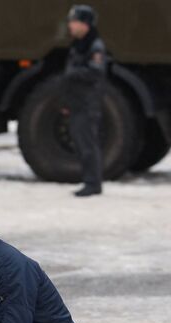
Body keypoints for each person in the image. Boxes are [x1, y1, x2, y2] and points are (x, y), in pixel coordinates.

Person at [64, 4, 107, 197]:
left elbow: (96, 71)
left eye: (74, 21)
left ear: (85, 24)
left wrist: (74, 73)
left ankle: (93, 183)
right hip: (77, 103)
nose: (70, 26)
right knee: (82, 144)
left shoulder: (94, 45)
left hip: (87, 104)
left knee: (88, 144)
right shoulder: (79, 44)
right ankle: (89, 181)